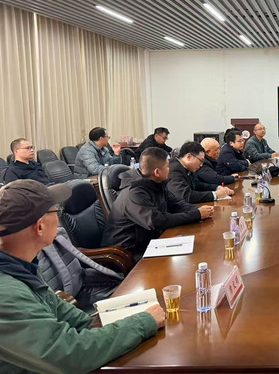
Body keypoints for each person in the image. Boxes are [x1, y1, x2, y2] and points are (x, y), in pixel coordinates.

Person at [0, 179, 165, 373]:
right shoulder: (6, 293)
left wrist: (113, 323)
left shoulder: (22, 267)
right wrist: (143, 323)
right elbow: (67, 354)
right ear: (40, 227)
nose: (59, 218)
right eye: (56, 211)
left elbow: (73, 318)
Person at [102, 147, 215, 261]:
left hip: (150, 242)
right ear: (157, 172)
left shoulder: (156, 183)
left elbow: (176, 204)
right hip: (127, 253)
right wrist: (197, 214)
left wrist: (198, 210)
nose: (170, 169)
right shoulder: (134, 193)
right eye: (167, 167)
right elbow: (157, 221)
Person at [38, 226, 122, 310]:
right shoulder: (33, 252)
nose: (57, 220)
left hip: (80, 286)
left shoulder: (56, 234)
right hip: (63, 305)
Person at [168, 142, 234, 204]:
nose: (201, 165)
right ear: (189, 157)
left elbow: (197, 185)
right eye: (200, 160)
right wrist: (215, 195)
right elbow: (186, 196)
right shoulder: (174, 170)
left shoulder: (187, 168)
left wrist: (218, 188)